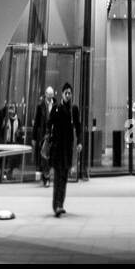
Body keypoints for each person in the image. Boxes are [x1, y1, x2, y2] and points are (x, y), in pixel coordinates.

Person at [48, 82, 81, 216]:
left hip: (67, 148)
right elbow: (49, 124)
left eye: (70, 93)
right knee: (57, 178)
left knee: (64, 178)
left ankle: (60, 204)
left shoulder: (74, 109)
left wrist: (79, 141)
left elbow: (78, 126)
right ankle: (56, 205)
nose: (68, 95)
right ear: (62, 94)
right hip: (57, 148)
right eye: (66, 93)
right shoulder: (56, 108)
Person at [33, 85, 55, 186]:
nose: (50, 97)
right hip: (43, 134)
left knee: (48, 156)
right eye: (48, 95)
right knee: (44, 155)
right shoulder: (40, 106)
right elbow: (37, 122)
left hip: (52, 134)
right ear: (46, 94)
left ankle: (46, 176)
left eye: (51, 95)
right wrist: (34, 137)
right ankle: (46, 178)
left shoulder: (55, 105)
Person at [0, 101, 20, 180]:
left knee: (12, 160)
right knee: (4, 159)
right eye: (10, 107)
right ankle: (2, 174)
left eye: (13, 107)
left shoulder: (17, 119)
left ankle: (9, 174)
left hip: (14, 142)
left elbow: (19, 130)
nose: (12, 109)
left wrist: (19, 133)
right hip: (4, 142)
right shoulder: (3, 117)